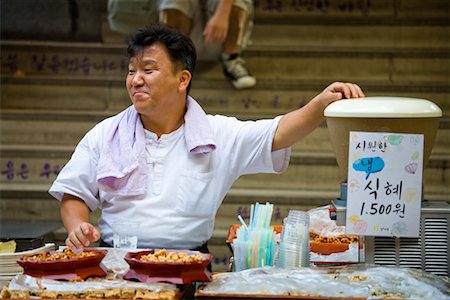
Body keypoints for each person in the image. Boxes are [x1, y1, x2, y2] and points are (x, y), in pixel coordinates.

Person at [49, 24, 364, 253]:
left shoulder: (216, 134)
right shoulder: (107, 133)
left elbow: (278, 132)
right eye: (131, 71)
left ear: (182, 79)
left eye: (148, 69)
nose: (136, 80)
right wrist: (78, 226)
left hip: (187, 267)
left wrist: (321, 104)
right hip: (114, 264)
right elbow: (75, 194)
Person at [158, 0, 256, 89]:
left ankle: (231, 59)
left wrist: (223, 14)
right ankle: (173, 61)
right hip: (187, 33)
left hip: (222, 33)